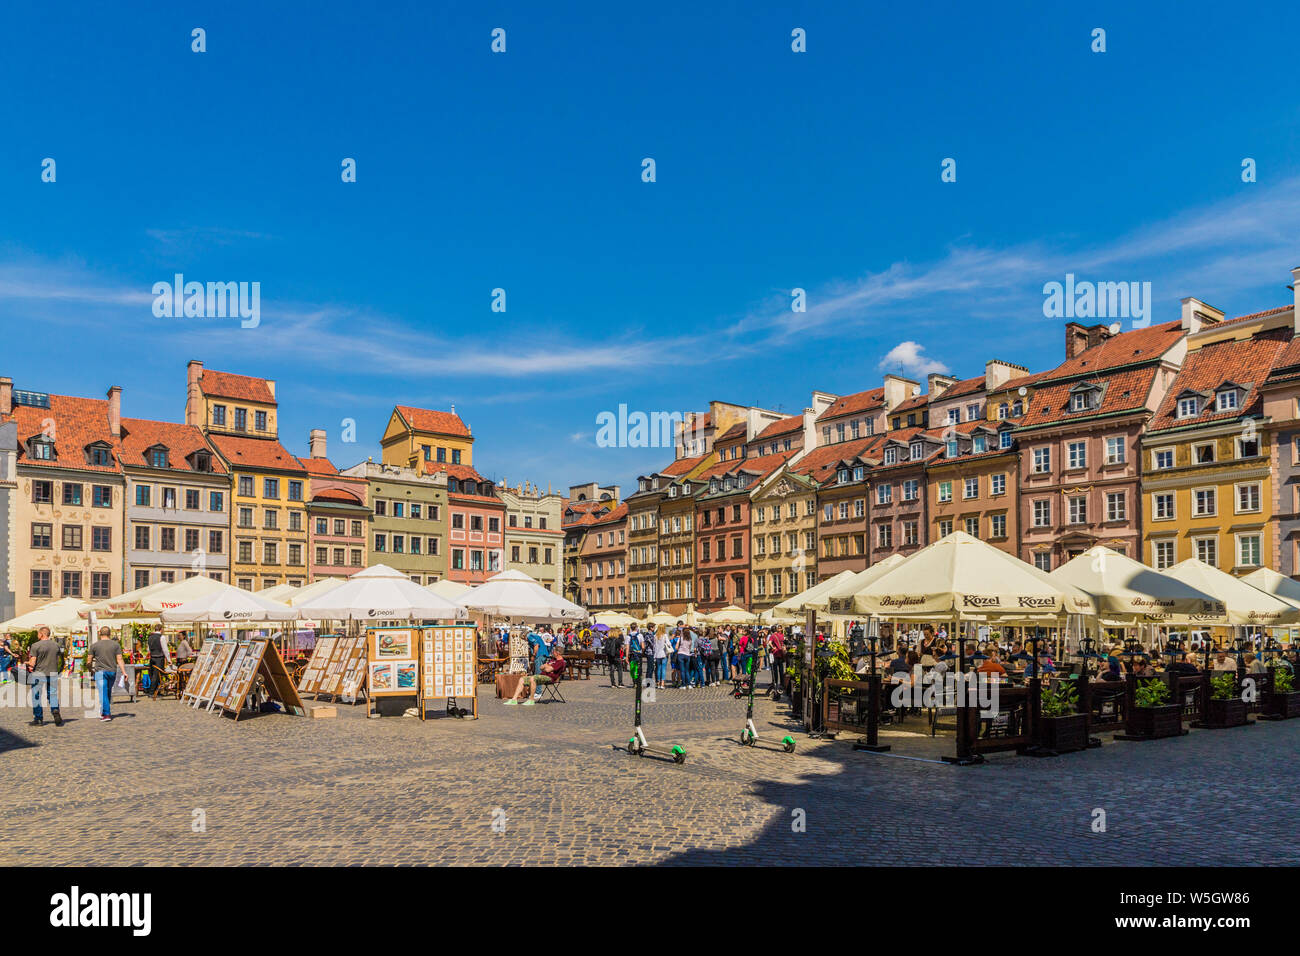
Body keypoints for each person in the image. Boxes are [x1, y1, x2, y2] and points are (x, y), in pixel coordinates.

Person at [27, 626, 64, 726]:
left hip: (38, 673)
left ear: (42, 634)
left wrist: (28, 665)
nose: (37, 635)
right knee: (52, 694)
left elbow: (32, 662)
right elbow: (58, 660)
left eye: (38, 633)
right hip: (52, 673)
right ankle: (55, 710)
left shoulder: (35, 645)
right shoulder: (56, 645)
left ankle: (38, 718)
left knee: (36, 696)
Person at [88, 626, 126, 722]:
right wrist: (124, 672)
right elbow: (120, 659)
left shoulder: (94, 646)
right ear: (109, 634)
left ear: (99, 633)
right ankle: (104, 711)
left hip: (100, 672)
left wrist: (90, 670)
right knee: (107, 692)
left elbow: (88, 661)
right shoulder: (115, 645)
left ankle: (107, 715)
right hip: (112, 671)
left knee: (103, 693)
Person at [146, 624, 171, 699]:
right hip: (159, 658)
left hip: (152, 657)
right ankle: (152, 692)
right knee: (157, 675)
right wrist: (169, 659)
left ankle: (157, 692)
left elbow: (148, 649)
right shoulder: (162, 637)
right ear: (161, 629)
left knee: (153, 675)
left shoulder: (150, 637)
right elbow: (165, 649)